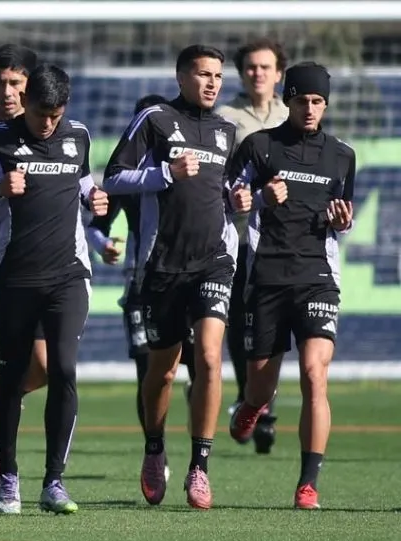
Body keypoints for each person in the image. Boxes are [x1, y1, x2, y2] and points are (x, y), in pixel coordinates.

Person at [0, 63, 107, 515]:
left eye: (56, 115)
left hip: (69, 275)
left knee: (62, 368)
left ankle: (54, 482)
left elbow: (81, 182)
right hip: (15, 278)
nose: (49, 123)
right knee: (12, 374)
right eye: (42, 113)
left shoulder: (77, 136)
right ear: (26, 103)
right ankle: (8, 475)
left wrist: (94, 196)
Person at [103, 44, 251, 510]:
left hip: (214, 260)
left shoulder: (228, 130)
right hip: (162, 264)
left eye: (218, 76)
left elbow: (230, 189)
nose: (212, 83)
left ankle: (200, 468)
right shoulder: (155, 121)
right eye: (203, 74)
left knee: (208, 357)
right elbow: (113, 177)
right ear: (181, 76)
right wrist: (164, 172)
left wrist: (242, 199)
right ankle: (154, 447)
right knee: (162, 370)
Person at [227, 62, 354, 510]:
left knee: (314, 376)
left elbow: (343, 217)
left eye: (318, 102)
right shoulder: (259, 146)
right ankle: (249, 407)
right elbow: (230, 198)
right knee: (262, 388)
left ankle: (307, 484)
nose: (310, 109)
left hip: (318, 278)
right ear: (289, 99)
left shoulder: (341, 155)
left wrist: (344, 222)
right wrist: (257, 197)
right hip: (267, 278)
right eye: (302, 101)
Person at [87, 94, 196, 480]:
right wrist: (105, 246)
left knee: (200, 366)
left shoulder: (186, 168)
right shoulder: (127, 177)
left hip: (188, 275)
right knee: (148, 367)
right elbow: (95, 227)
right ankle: (157, 449)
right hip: (140, 280)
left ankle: (199, 456)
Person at [0, 44, 49, 494]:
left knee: (45, 365)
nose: (7, 91)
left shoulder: (52, 131)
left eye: (16, 83)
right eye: (0, 82)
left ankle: (5, 405)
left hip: (40, 265)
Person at [215, 38, 290, 454]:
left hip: (284, 239)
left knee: (275, 323)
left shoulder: (292, 115)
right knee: (240, 323)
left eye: (265, 67)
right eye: (250, 67)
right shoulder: (226, 118)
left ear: (279, 73)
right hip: (241, 237)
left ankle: (264, 406)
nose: (257, 73)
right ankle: (251, 400)